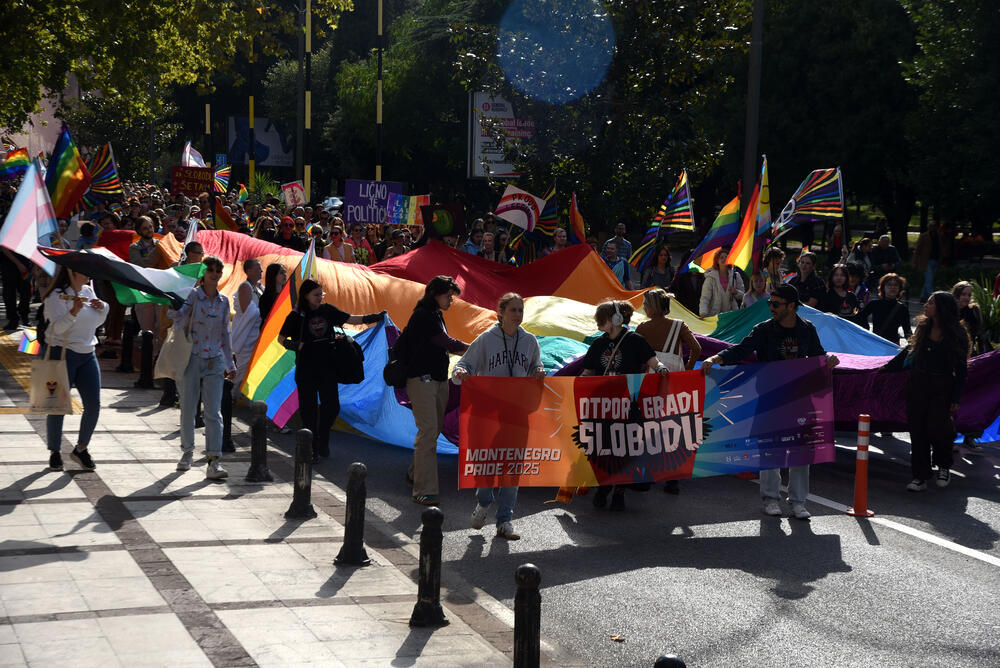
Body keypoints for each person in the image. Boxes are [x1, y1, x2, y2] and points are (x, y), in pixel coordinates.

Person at [701, 285, 838, 519]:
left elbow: (817, 355)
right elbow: (742, 349)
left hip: (799, 399)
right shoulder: (763, 330)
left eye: (776, 304)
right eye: (769, 303)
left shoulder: (807, 329)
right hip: (768, 398)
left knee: (801, 451)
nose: (771, 307)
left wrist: (828, 359)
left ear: (792, 306)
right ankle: (770, 499)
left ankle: (798, 502)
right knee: (769, 450)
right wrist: (717, 357)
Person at [454, 293, 544, 540]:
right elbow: (464, 365)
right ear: (501, 312)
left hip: (516, 413)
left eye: (520, 310)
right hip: (488, 414)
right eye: (513, 310)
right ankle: (484, 502)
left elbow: (537, 365)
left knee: (512, 466)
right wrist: (461, 371)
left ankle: (504, 521)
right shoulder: (486, 339)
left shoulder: (530, 341)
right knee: (487, 463)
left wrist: (538, 370)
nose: (518, 315)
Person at [279, 279, 385, 464]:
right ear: (305, 296)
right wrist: (295, 345)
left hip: (328, 367)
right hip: (306, 370)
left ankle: (323, 436)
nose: (320, 298)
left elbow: (351, 319)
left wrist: (374, 317)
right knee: (308, 411)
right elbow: (281, 339)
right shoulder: (297, 315)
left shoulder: (327, 310)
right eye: (316, 295)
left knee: (332, 406)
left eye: (321, 294)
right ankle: (311, 449)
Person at [581, 300, 670, 510]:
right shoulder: (598, 344)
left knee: (626, 449)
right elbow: (588, 373)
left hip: (628, 404)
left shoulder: (635, 341)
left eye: (601, 317)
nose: (597, 322)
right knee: (604, 448)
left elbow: (653, 362)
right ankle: (604, 487)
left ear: (616, 319)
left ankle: (619, 490)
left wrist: (662, 368)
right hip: (603, 406)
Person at [881, 291, 968, 491]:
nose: (926, 306)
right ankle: (920, 476)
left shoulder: (956, 333)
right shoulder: (923, 327)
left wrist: (956, 396)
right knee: (917, 430)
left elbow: (962, 368)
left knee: (938, 428)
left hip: (942, 385)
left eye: (930, 303)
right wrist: (888, 367)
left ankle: (944, 465)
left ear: (941, 308)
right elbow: (909, 351)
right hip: (918, 383)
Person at [168, 256, 237, 479]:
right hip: (192, 357)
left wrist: (230, 362)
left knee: (213, 412)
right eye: (211, 270)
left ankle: (213, 460)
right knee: (188, 407)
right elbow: (179, 320)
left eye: (219, 270)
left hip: (215, 359)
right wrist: (173, 307)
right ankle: (187, 452)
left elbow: (225, 333)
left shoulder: (224, 301)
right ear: (204, 273)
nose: (215, 274)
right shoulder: (193, 296)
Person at [402, 276, 469, 505]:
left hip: (438, 381)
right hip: (423, 381)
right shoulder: (423, 315)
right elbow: (447, 342)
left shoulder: (436, 314)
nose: (451, 299)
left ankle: (414, 473)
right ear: (434, 294)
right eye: (448, 295)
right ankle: (423, 490)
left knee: (433, 429)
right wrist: (474, 350)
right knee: (429, 432)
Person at [41, 267, 108, 471]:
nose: (88, 274)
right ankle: (55, 451)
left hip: (87, 353)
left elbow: (97, 322)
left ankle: (81, 449)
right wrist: (73, 312)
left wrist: (103, 307)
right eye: (83, 271)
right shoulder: (54, 296)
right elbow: (56, 328)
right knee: (57, 405)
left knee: (94, 404)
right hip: (60, 353)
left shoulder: (87, 291)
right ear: (72, 273)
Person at [224, 259, 264, 451]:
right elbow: (249, 312)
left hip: (257, 333)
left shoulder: (260, 287)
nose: (261, 270)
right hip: (247, 333)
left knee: (250, 368)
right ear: (249, 270)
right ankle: (229, 394)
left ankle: (245, 395)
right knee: (242, 368)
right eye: (258, 268)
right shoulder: (245, 286)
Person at [855, 273, 912, 344]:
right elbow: (859, 318)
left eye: (896, 285)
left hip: (892, 345)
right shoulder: (874, 304)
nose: (892, 287)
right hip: (876, 343)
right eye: (889, 284)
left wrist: (913, 348)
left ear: (899, 288)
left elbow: (907, 331)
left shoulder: (902, 308)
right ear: (883, 287)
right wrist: (866, 330)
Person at [699, 245, 744, 317]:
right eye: (721, 257)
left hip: (732, 315)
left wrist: (736, 292)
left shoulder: (736, 276)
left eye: (726, 257)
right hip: (715, 317)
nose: (724, 259)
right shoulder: (710, 277)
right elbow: (705, 298)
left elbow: (743, 296)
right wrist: (703, 313)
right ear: (717, 261)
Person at [953, 281, 988, 356]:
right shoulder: (949, 310)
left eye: (969, 295)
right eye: (963, 294)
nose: (967, 298)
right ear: (956, 295)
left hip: (969, 352)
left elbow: (980, 334)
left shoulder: (973, 310)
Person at [914, 221, 942, 302]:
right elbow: (918, 249)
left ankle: (923, 297)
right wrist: (915, 261)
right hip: (926, 261)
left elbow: (941, 248)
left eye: (934, 226)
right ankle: (932, 298)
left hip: (936, 260)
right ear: (928, 227)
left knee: (929, 280)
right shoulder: (924, 236)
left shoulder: (939, 235)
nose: (933, 227)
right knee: (929, 280)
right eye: (931, 226)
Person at [258, 262, 287, 326]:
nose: (285, 274)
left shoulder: (287, 297)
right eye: (281, 273)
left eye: (285, 272)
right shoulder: (265, 299)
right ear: (273, 275)